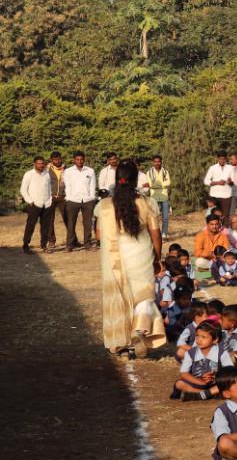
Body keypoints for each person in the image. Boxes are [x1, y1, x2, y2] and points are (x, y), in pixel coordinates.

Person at [96, 158, 166, 357]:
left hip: (115, 259)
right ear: (135, 180)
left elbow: (99, 235)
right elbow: (155, 234)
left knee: (119, 298)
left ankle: (119, 342)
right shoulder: (147, 203)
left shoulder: (105, 205)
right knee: (142, 298)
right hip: (141, 257)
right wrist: (157, 258)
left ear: (117, 179)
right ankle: (139, 337)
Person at [59, 151, 98, 251]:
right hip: (73, 200)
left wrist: (92, 198)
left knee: (88, 223)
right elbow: (68, 186)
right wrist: (68, 198)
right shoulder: (68, 171)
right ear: (74, 160)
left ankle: (87, 244)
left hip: (87, 200)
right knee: (71, 223)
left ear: (84, 160)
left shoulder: (90, 171)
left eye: (81, 159)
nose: (79, 161)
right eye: (77, 159)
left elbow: (92, 185)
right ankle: (70, 245)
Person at [18, 156, 57, 253]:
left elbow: (49, 188)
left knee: (45, 226)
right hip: (34, 204)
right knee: (30, 225)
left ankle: (44, 245)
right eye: (39, 163)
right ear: (34, 164)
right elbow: (23, 189)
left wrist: (50, 200)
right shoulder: (29, 174)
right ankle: (26, 245)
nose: (41, 165)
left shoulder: (47, 174)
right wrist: (30, 201)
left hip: (47, 204)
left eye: (42, 163)